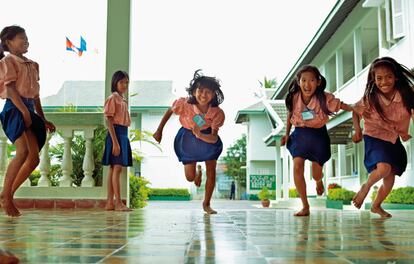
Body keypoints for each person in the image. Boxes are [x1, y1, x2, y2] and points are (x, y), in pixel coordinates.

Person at [281, 65, 354, 217]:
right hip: (300, 134)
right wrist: (287, 134)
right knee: (297, 166)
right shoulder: (294, 98)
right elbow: (289, 115)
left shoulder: (324, 97)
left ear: (318, 82)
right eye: (304, 80)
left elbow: (340, 105)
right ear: (299, 82)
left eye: (312, 80)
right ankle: (305, 205)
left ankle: (319, 181)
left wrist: (354, 108)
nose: (307, 84)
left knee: (316, 173)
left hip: (318, 136)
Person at [0, 25, 55, 217]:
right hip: (14, 109)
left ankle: (7, 195)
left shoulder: (33, 65)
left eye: (26, 38)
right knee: (22, 151)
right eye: (21, 38)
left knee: (34, 158)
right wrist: (24, 112)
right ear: (8, 42)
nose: (26, 41)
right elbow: (12, 89)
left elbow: (36, 96)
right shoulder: (8, 61)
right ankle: (6, 197)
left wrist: (42, 118)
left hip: (29, 109)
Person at [153, 70, 225, 214]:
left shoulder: (217, 113)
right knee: (190, 177)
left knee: (211, 169)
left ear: (214, 95)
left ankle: (207, 203)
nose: (203, 95)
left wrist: (201, 136)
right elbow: (170, 111)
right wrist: (159, 130)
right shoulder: (184, 103)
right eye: (200, 90)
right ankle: (197, 171)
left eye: (208, 92)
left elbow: (214, 138)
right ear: (193, 91)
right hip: (187, 137)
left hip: (206, 137)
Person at [352, 57, 414, 217]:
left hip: (393, 137)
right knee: (384, 168)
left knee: (390, 178)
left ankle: (376, 206)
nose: (384, 82)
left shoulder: (405, 95)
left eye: (388, 77)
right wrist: (357, 130)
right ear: (374, 79)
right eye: (379, 78)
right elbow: (355, 111)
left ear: (395, 77)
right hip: (374, 136)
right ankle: (365, 187)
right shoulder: (371, 98)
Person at [102, 70, 133, 211]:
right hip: (116, 134)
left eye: (126, 82)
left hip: (123, 134)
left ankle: (110, 202)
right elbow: (109, 120)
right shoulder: (113, 98)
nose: (124, 85)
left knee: (114, 168)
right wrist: (115, 142)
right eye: (121, 82)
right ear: (115, 83)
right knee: (117, 168)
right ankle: (118, 203)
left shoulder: (122, 99)